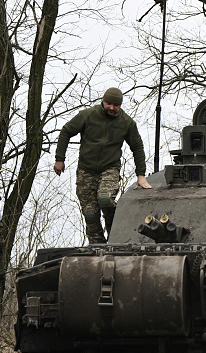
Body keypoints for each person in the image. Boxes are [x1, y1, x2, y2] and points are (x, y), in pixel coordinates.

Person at [54, 87, 152, 244]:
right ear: (103, 101)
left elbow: (137, 147)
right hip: (86, 170)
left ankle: (115, 234)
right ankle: (97, 245)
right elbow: (66, 131)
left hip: (109, 169)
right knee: (90, 213)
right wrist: (60, 159)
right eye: (108, 104)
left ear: (120, 105)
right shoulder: (88, 115)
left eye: (116, 105)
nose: (112, 108)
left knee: (105, 199)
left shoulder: (126, 123)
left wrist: (141, 175)